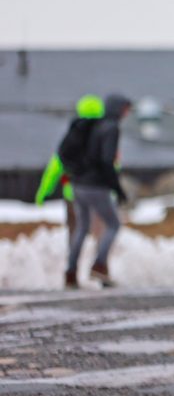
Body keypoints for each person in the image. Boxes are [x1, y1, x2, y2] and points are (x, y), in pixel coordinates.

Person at [65, 94, 132, 288]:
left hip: (77, 185)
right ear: (119, 109)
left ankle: (70, 273)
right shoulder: (110, 128)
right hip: (96, 186)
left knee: (81, 228)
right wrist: (117, 188)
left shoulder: (88, 126)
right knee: (113, 224)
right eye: (126, 109)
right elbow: (107, 161)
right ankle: (99, 265)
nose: (127, 113)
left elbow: (64, 156)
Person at [36, 94, 106, 258]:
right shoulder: (103, 137)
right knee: (100, 230)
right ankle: (100, 264)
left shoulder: (72, 136)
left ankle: (72, 268)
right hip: (98, 194)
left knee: (75, 229)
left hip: (73, 192)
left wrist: (44, 191)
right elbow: (111, 165)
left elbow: (55, 166)